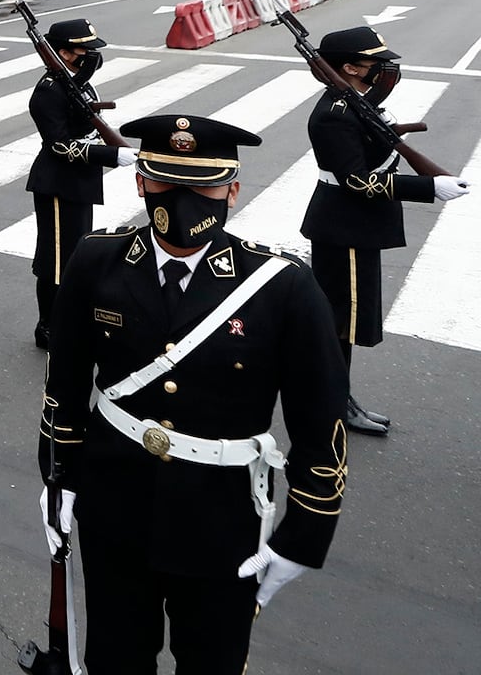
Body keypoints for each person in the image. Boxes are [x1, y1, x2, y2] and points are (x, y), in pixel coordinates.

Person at [38, 113, 349, 675]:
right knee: (114, 658)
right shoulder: (97, 259)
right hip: (114, 507)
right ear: (141, 182)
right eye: (165, 180)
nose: (183, 200)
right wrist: (57, 477)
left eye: (203, 185)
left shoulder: (281, 285)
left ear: (232, 190)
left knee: (211, 663)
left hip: (221, 521)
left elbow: (319, 418)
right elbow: (65, 380)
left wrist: (307, 530)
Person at [298, 26, 469, 434]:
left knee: (344, 322)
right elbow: (357, 181)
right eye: (375, 63)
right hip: (344, 228)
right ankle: (333, 402)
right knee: (340, 324)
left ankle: (336, 396)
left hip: (354, 227)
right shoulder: (334, 115)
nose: (385, 69)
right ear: (350, 68)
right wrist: (429, 187)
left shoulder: (355, 103)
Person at [24, 19, 138, 349]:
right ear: (63, 53)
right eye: (84, 50)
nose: (91, 56)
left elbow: (91, 123)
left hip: (79, 180)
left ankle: (68, 318)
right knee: (56, 260)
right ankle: (48, 326)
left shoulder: (77, 83)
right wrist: (110, 155)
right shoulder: (48, 92)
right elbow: (59, 145)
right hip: (58, 183)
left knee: (74, 255)